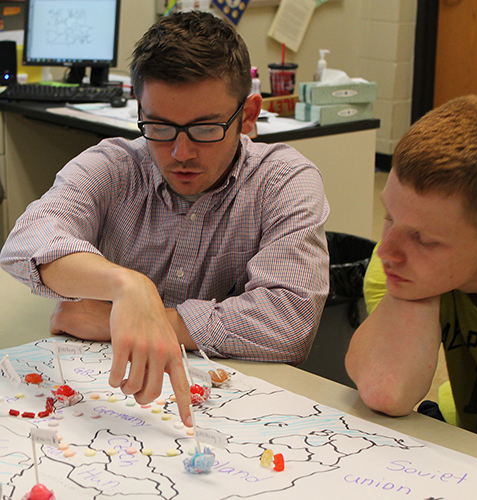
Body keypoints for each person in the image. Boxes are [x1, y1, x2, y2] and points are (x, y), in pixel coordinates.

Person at [0, 12, 330, 426]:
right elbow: (25, 241)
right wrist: (127, 287)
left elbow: (289, 321)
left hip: (231, 408)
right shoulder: (117, 164)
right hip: (114, 403)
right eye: (159, 126)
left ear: (248, 116)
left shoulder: (285, 181)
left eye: (205, 128)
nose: (181, 153)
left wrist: (144, 320)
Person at [345, 95, 477, 441]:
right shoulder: (399, 264)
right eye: (389, 216)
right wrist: (419, 286)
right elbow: (386, 390)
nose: (386, 251)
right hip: (461, 435)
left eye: (424, 238)